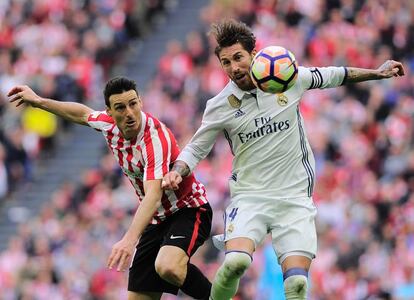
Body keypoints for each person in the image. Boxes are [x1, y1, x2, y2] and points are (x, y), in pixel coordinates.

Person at [161, 19, 405, 300]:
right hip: (250, 197)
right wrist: (178, 169)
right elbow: (195, 147)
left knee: (297, 285)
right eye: (226, 62)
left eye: (238, 58)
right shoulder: (219, 106)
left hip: (294, 198)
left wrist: (377, 72)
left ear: (254, 55)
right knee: (235, 264)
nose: (234, 67)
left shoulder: (289, 79)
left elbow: (336, 74)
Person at [8, 77, 213, 300]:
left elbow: (154, 195)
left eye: (133, 104)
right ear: (110, 111)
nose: (129, 113)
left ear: (141, 102)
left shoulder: (154, 139)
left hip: (188, 210)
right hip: (156, 220)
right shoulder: (109, 125)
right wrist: (38, 101)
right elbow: (82, 114)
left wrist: (128, 240)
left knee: (168, 266)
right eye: (120, 107)